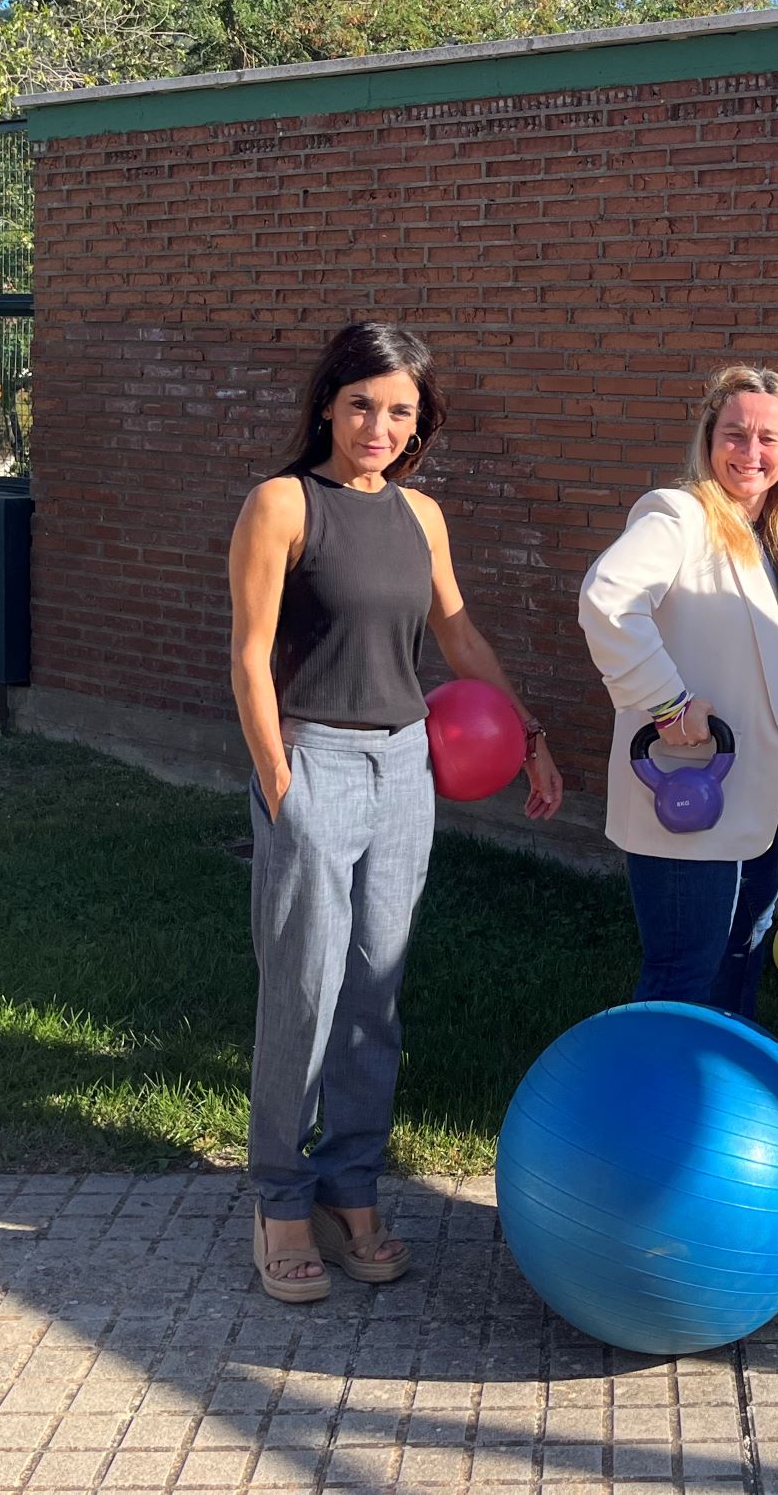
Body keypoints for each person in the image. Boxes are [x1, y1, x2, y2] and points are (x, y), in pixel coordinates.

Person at [227, 322, 563, 1304]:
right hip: (314, 759)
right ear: (329, 402)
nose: (379, 425)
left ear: (421, 422)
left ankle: (350, 1189)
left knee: (375, 994)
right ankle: (281, 1199)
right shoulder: (283, 504)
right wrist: (280, 785)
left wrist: (530, 732)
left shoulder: (421, 516)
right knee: (304, 991)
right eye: (363, 403)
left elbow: (455, 631)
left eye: (400, 410)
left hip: (404, 770)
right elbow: (249, 656)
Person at [578, 367, 778, 1016]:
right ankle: (646, 1117)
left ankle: (718, 1116)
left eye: (769, 438)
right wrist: (668, 703)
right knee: (682, 983)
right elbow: (607, 600)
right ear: (708, 438)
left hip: (756, 804)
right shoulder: (680, 517)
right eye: (736, 434)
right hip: (691, 786)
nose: (752, 453)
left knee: (739, 974)